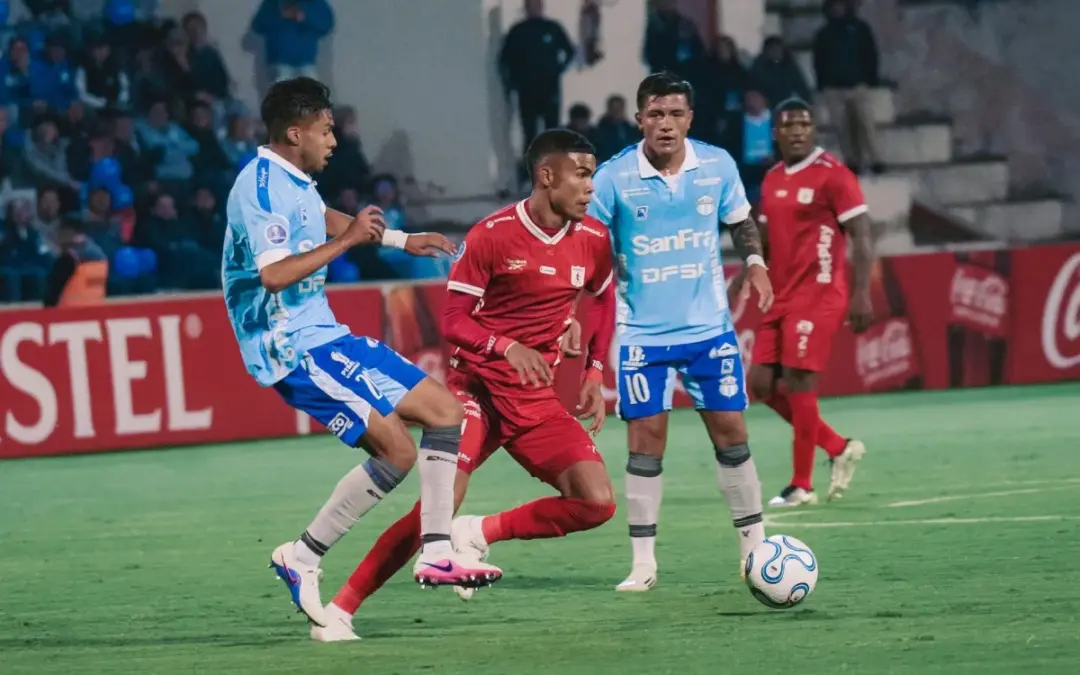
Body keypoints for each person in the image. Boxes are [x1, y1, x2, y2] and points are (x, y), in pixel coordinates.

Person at [315, 129, 618, 642]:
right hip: (474, 391)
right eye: (582, 174)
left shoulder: (593, 239)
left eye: (592, 174)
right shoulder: (492, 235)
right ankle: (341, 609)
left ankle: (479, 532)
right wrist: (507, 347)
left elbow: (604, 298)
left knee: (597, 502)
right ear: (547, 177)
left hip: (534, 399)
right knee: (434, 508)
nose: (591, 186)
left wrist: (593, 370)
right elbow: (454, 320)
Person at [221, 77, 500, 629]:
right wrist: (349, 243)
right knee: (396, 452)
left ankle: (437, 549)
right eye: (326, 131)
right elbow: (274, 275)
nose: (334, 141)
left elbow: (322, 219)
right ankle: (303, 556)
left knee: (446, 412)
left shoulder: (293, 179)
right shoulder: (257, 186)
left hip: (323, 332)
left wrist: (400, 239)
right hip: (288, 347)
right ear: (294, 131)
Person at [586, 72, 772, 592]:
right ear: (639, 117)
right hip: (642, 336)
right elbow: (587, 241)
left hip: (709, 331)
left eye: (675, 114)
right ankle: (643, 563)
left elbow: (741, 220)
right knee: (646, 444)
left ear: (690, 118)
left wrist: (754, 260)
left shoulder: (717, 165)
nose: (665, 124)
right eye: (656, 113)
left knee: (732, 436)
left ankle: (753, 550)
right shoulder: (613, 177)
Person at [730, 98, 872, 506]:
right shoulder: (773, 178)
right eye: (788, 125)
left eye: (804, 125)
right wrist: (743, 274)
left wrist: (862, 291)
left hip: (820, 292)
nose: (797, 131)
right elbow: (765, 237)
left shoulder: (834, 176)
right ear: (775, 132)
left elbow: (862, 234)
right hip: (781, 293)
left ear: (813, 130)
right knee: (760, 384)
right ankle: (837, 446)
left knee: (798, 382)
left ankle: (801, 484)